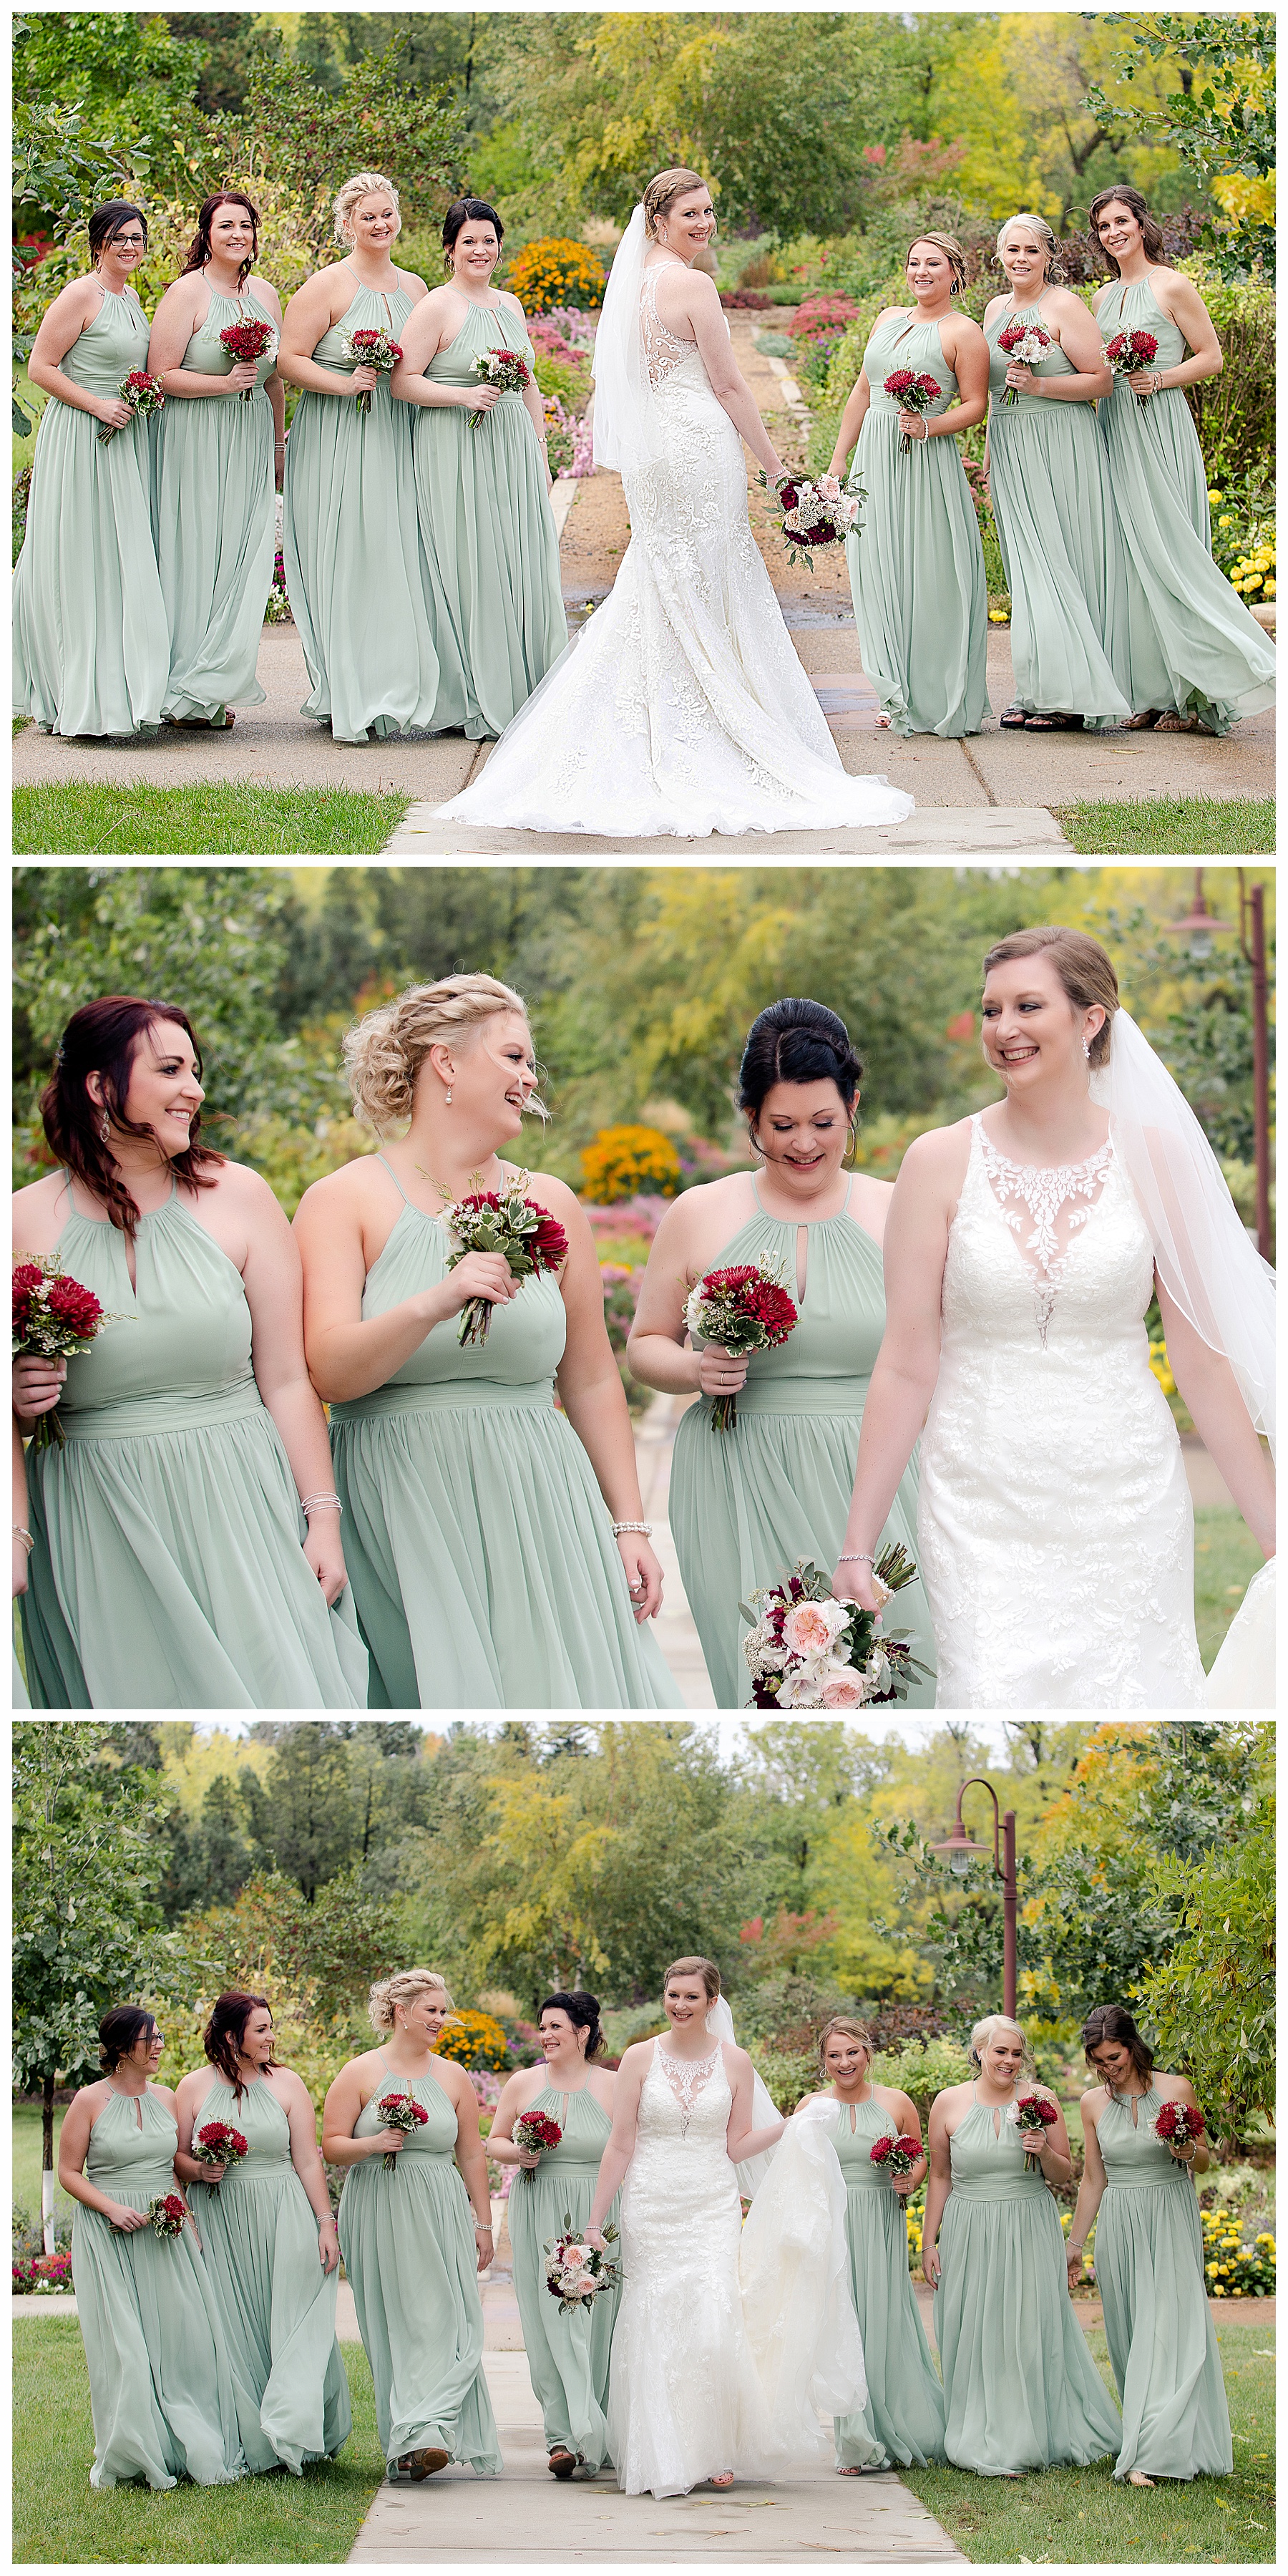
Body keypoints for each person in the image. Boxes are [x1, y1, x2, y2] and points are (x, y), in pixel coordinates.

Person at [834, 925, 1275, 1708]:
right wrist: (856, 1542)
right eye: (991, 1009)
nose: (1003, 1029)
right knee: (991, 1696)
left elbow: (1203, 1364)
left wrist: (1277, 1538)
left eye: (1028, 1005)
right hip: (978, 1496)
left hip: (1126, 1492)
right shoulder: (936, 1162)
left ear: (1091, 1019)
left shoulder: (1157, 1157)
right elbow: (906, 1361)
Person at [435, 168, 914, 836]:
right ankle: (712, 716)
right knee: (704, 572)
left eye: (709, 211)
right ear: (657, 220)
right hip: (695, 445)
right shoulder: (692, 285)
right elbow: (729, 387)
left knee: (662, 573)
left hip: (656, 454)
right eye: (689, 213)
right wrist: (779, 473)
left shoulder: (634, 284)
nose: (704, 223)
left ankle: (656, 711)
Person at [293, 973, 680, 1709]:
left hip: (539, 1502)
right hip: (402, 1508)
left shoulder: (551, 1201)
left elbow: (593, 1378)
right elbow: (328, 1371)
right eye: (513, 1056)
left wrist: (630, 1524)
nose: (530, 1077)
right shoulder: (344, 1200)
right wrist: (433, 1302)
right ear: (445, 1061)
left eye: (530, 1063)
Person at [14, 996, 366, 1709]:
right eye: (170, 1068)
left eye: (195, 1070)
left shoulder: (239, 1196)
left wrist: (323, 1519)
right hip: (94, 1515)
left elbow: (289, 1378)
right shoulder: (18, 1220)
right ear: (99, 1085)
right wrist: (18, 1400)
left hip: (238, 1500)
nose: (195, 1089)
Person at [628, 997, 934, 1706]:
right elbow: (646, 1345)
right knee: (770, 1688)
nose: (804, 1145)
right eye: (782, 1125)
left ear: (854, 1107)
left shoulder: (899, 1208)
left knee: (893, 1684)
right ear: (751, 1121)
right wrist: (694, 1369)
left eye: (824, 1123)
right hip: (736, 1478)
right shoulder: (699, 1212)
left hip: (877, 1474)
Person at [582, 1957, 788, 2494]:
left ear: (712, 2002)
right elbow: (621, 2141)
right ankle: (662, 2452)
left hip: (712, 2203)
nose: (679, 2004)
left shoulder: (736, 2061)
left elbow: (737, 2145)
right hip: (651, 2202)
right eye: (672, 1993)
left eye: (691, 1996)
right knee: (656, 2320)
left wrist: (788, 2126)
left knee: (713, 2322)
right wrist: (593, 2220)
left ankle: (716, 2446)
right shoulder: (637, 2056)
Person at [1089, 185, 1275, 734]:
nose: (1113, 233)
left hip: (1160, 425)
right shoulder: (1100, 298)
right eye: (1103, 227)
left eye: (1121, 221)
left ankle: (1199, 691)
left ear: (1142, 224)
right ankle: (1150, 691)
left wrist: (1161, 378)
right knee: (1132, 563)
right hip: (1116, 427)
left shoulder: (1172, 283)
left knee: (1173, 556)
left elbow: (1213, 357)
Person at [392, 198, 565, 738]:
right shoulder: (436, 308)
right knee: (473, 561)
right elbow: (403, 382)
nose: (481, 250)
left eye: (489, 240)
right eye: (469, 241)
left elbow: (530, 383)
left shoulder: (510, 305)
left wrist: (540, 450)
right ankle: (474, 691)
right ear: (449, 249)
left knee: (521, 558)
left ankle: (530, 684)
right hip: (456, 446)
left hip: (512, 444)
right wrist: (461, 397)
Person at [922, 2013, 1121, 2476]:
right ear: (979, 2052)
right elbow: (939, 2175)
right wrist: (930, 2241)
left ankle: (1030, 2433)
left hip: (1029, 2222)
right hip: (969, 2226)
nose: (1009, 2060)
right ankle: (979, 2433)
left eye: (1016, 2052)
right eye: (1000, 2051)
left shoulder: (1041, 2099)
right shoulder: (948, 2102)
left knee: (1028, 2328)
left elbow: (1065, 2173)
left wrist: (1042, 2149)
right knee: (977, 2326)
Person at [322, 1970, 502, 2482]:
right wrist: (372, 2143)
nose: (442, 2020)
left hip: (440, 2205)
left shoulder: (453, 2076)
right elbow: (331, 2143)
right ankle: (412, 2439)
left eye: (445, 2011)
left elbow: (471, 2152)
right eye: (433, 2011)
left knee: (450, 2318)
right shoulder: (359, 2072)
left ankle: (429, 2427)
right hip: (379, 2204)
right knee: (396, 2319)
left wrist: (483, 2221)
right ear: (401, 2012)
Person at [57, 2005, 246, 2491]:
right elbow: (69, 2172)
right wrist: (110, 2208)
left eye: (160, 2036)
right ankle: (134, 2448)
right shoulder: (89, 2100)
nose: (160, 2044)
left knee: (181, 2341)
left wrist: (198, 2181)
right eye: (150, 2038)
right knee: (126, 2346)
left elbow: (171, 2164)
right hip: (112, 2234)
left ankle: (178, 2442)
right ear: (122, 2048)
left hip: (167, 2229)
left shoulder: (166, 2096)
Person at [278, 172, 439, 742]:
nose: (379, 224)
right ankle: (346, 690)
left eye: (387, 214)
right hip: (338, 437)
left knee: (396, 557)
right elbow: (288, 359)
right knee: (347, 558)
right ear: (347, 224)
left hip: (397, 436)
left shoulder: (417, 289)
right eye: (367, 216)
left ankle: (391, 686)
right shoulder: (326, 287)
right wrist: (342, 384)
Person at [174, 1992, 351, 2476]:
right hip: (219, 2218)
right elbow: (175, 2160)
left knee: (292, 2316)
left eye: (272, 2027)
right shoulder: (191, 2087)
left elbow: (308, 2158)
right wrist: (199, 2170)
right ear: (232, 2036)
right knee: (232, 2325)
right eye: (262, 2029)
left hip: (283, 2211)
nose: (272, 2036)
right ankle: (254, 2436)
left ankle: (295, 2428)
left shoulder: (288, 2084)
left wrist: (325, 2222)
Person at [820, 234, 990, 737]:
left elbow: (976, 404)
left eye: (933, 263)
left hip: (926, 464)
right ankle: (892, 689)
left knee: (930, 573)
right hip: (875, 460)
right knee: (877, 570)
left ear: (954, 272)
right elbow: (862, 391)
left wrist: (930, 426)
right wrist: (837, 463)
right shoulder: (887, 319)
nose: (921, 272)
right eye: (914, 263)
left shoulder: (964, 332)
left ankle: (935, 695)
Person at [14, 200, 169, 737]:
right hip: (83, 436)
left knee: (117, 558)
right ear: (99, 242)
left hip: (123, 435)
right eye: (120, 237)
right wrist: (97, 405)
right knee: (83, 553)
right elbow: (40, 366)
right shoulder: (83, 294)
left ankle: (117, 686)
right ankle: (74, 691)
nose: (131, 246)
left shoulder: (131, 299)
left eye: (138, 238)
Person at [1068, 2003, 1231, 2485]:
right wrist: (1075, 2242)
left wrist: (1189, 2150)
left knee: (1173, 2330)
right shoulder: (1092, 2103)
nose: (1107, 2068)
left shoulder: (1176, 2089)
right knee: (1135, 2332)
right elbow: (1093, 2180)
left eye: (1113, 2057)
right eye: (1098, 2060)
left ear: (1133, 2046)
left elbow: (1203, 2162)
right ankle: (1147, 2435)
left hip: (1169, 2214)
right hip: (1120, 2220)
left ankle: (1154, 2452)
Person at [981, 215, 1130, 731]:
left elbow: (1102, 381)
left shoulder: (1064, 305)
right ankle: (1035, 689)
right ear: (1000, 256)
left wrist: (1041, 387)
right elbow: (996, 391)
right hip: (1011, 444)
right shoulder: (995, 309)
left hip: (1061, 443)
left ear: (1049, 256)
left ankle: (1071, 695)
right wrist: (988, 450)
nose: (1020, 259)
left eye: (1031, 250)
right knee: (1026, 569)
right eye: (1012, 250)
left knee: (1058, 563)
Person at [147, 190, 283, 729]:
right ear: (206, 233)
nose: (237, 235)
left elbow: (273, 380)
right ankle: (182, 689)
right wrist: (223, 383)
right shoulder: (187, 293)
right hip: (195, 436)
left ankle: (210, 684)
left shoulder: (268, 296)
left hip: (249, 437)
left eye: (246, 226)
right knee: (195, 553)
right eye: (226, 225)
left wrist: (277, 446)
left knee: (239, 556)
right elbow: (161, 374)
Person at [794, 2018, 945, 2472]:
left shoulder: (896, 2103)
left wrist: (909, 2179)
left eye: (853, 2052)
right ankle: (855, 2440)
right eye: (835, 2055)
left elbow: (920, 2158)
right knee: (844, 2323)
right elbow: (794, 2169)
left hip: (880, 2219)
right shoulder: (811, 2107)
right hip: (833, 2224)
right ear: (823, 2062)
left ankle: (900, 2422)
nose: (845, 2062)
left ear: (868, 2054)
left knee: (883, 2318)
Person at [488, 1993, 619, 2477]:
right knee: (547, 2319)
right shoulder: (523, 2082)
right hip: (538, 2208)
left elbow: (631, 2148)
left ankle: (595, 2428)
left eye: (556, 2026)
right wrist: (519, 2153)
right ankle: (563, 2437)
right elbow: (494, 2140)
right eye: (542, 2026)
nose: (545, 2034)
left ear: (584, 2031)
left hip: (597, 2211)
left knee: (596, 2320)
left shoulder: (614, 2084)